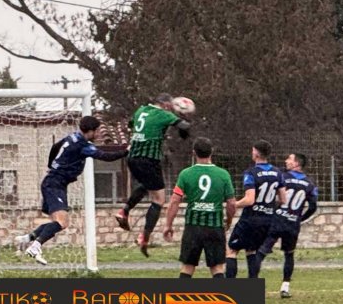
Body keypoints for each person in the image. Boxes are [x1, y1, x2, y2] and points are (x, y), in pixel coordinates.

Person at [15, 115, 128, 265]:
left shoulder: (72, 137)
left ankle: (27, 239)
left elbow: (55, 146)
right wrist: (126, 151)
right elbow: (106, 156)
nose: (99, 134)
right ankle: (35, 246)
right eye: (97, 131)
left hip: (53, 183)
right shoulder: (83, 145)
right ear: (90, 131)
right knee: (62, 223)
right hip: (55, 185)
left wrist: (51, 164)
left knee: (56, 222)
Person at [115, 93, 191, 256]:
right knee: (159, 199)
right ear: (164, 105)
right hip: (149, 159)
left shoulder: (141, 110)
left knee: (147, 186)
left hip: (132, 157)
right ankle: (144, 237)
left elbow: (130, 124)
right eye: (170, 106)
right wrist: (184, 117)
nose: (171, 109)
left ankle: (124, 211)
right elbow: (184, 128)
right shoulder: (164, 114)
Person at [163, 137, 236, 278]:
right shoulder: (223, 174)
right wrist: (229, 220)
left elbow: (174, 201)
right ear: (212, 152)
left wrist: (168, 225)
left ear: (193, 153)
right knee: (217, 268)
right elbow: (231, 203)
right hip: (214, 226)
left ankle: (180, 299)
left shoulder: (185, 174)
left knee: (187, 267)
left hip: (193, 227)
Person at [257, 153, 319, 298]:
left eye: (289, 159)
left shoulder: (282, 177)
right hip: (292, 224)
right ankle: (285, 287)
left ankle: (252, 283)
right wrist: (300, 218)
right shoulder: (310, 183)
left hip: (276, 220)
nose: (286, 161)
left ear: (296, 163)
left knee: (261, 251)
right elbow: (313, 206)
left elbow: (271, 195)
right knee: (289, 255)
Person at [225, 140, 287, 279]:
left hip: (250, 219)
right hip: (267, 220)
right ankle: (252, 286)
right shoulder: (278, 173)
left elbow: (249, 200)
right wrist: (269, 206)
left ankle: (228, 287)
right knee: (251, 251)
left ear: (257, 153)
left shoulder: (251, 173)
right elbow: (283, 200)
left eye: (253, 150)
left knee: (232, 250)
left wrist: (234, 204)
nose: (251, 153)